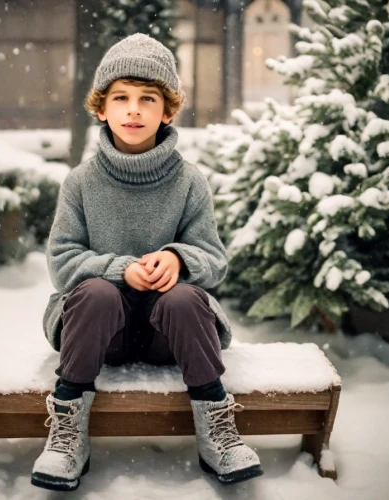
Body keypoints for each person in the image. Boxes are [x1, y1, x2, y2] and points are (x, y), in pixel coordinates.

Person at [31, 33, 263, 492]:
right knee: (95, 291)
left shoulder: (189, 183)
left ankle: (216, 424)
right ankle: (67, 430)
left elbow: (214, 259)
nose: (133, 110)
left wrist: (178, 258)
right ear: (102, 108)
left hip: (169, 337)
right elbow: (62, 260)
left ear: (168, 110)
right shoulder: (81, 183)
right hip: (98, 335)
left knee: (184, 298)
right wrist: (119, 269)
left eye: (147, 98)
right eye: (121, 98)